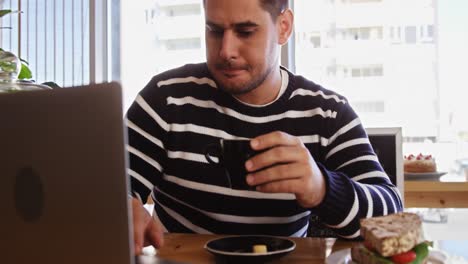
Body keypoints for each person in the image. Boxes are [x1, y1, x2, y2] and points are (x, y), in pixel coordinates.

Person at [127, 0, 403, 255]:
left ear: (283, 28)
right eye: (214, 30)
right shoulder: (165, 99)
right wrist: (124, 206)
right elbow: (109, 186)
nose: (226, 51)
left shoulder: (326, 113)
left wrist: (322, 188)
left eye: (245, 32)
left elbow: (392, 217)